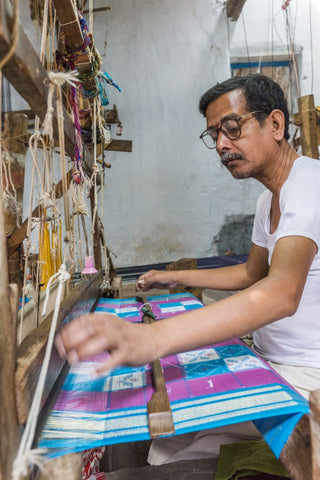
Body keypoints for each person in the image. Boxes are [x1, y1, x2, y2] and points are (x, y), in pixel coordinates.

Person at [55, 74, 320, 463]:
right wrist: (174, 277)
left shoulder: (309, 185)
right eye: (213, 135)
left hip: (308, 376)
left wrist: (151, 339)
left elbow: (280, 292)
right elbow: (250, 274)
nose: (221, 145)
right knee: (169, 442)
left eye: (232, 128)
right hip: (270, 361)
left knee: (181, 447)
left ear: (276, 125)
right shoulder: (269, 202)